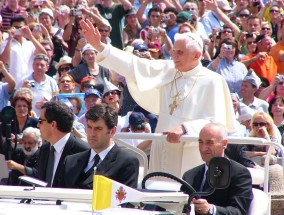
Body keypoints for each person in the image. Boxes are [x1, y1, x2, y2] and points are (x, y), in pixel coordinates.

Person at [79, 20, 237, 176]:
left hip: (192, 152)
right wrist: (100, 46)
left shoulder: (213, 80)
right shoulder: (169, 69)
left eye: (179, 53)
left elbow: (216, 123)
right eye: (173, 51)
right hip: (163, 147)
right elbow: (133, 65)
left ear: (196, 55)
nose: (173, 56)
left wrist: (185, 129)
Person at [58, 104, 139, 189]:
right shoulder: (70, 162)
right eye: (89, 127)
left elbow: (125, 200)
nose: (92, 134)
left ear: (112, 131)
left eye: (98, 129)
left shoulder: (126, 162)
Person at [181, 123, 253, 215]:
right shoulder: (190, 175)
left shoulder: (239, 173)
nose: (203, 148)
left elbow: (238, 211)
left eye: (209, 143)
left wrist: (211, 209)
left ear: (224, 144)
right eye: (200, 142)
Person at [25, 101, 88, 187]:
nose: (38, 125)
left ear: (53, 124)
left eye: (40, 121)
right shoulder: (44, 149)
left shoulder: (82, 152)